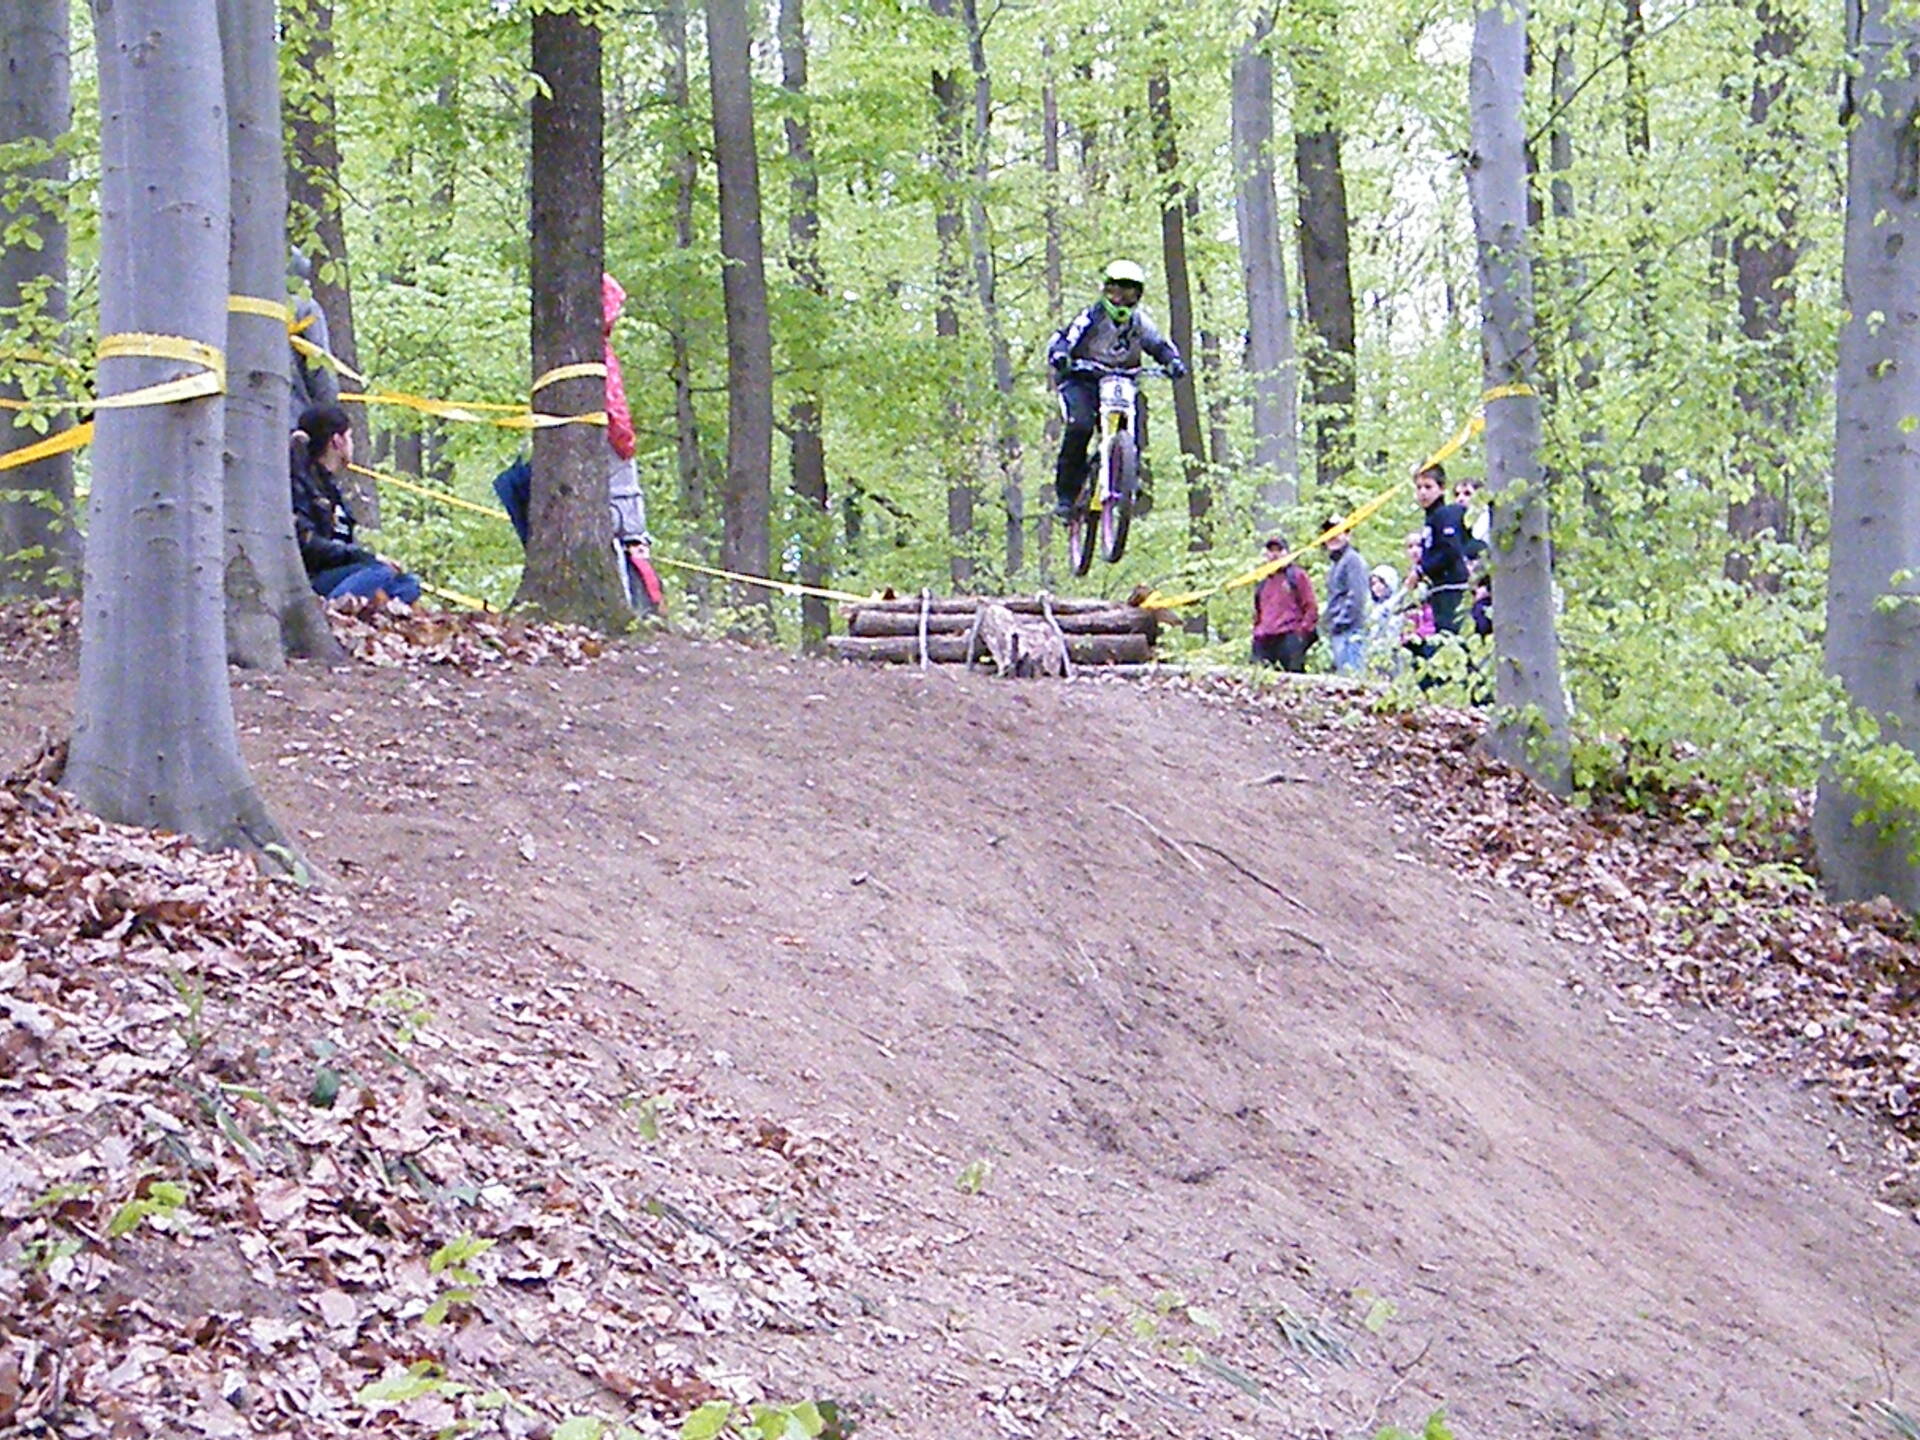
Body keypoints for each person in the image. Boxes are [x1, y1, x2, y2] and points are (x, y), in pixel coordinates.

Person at [1045, 260, 1186, 520]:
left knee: (1136, 418)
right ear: (1105, 290)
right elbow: (1065, 338)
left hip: (1120, 380)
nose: (1120, 300)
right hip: (1082, 380)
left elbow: (1159, 345)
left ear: (1138, 296)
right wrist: (1061, 355)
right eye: (1115, 292)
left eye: (1128, 293)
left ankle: (1129, 475)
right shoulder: (1091, 317)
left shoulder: (1139, 322)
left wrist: (1173, 362)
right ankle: (1066, 494)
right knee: (1080, 426)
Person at [291, 403, 422, 604]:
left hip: (343, 572)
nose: (352, 444)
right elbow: (308, 544)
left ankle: (367, 610)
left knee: (408, 583)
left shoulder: (330, 487)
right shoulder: (302, 485)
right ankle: (334, 610)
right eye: (350, 437)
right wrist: (363, 557)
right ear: (337, 441)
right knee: (380, 571)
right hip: (316, 578)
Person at [1413, 462, 1470, 635]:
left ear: (1442, 488)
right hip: (1437, 590)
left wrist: (1422, 570)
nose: (1423, 492)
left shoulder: (1446, 515)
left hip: (1451, 589)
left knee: (1450, 635)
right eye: (1419, 487)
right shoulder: (1430, 520)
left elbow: (1450, 550)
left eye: (1428, 487)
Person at [1251, 535, 1319, 672]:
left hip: (1289, 635)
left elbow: (1310, 606)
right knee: (1259, 674)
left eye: (1279, 550)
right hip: (1264, 638)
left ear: (1287, 553)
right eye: (1271, 551)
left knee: (1294, 676)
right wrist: (1257, 631)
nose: (1275, 555)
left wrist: (1301, 633)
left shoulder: (1296, 576)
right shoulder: (1262, 580)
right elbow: (1258, 611)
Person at [1319, 519, 1370, 675]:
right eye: (1329, 533)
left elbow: (1357, 596)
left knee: (1351, 677)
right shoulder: (1336, 563)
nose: (1332, 537)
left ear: (1348, 535)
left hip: (1350, 631)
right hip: (1338, 631)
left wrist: (1341, 621)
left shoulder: (1352, 560)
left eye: (1337, 532)